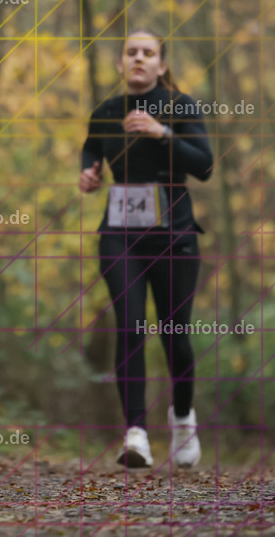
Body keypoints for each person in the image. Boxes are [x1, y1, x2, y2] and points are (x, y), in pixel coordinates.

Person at [78, 28, 213, 468]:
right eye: (130, 52)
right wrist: (89, 174)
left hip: (174, 235)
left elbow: (205, 165)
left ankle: (183, 419)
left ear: (161, 64)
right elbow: (90, 151)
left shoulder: (181, 107)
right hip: (120, 234)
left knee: (175, 336)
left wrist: (162, 133)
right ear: (121, 64)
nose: (138, 59)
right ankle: (135, 433)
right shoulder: (107, 112)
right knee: (131, 326)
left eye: (147, 53)